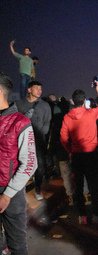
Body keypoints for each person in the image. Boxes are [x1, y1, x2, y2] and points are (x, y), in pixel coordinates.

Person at [60, 81, 98, 224]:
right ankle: (97, 214)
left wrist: (70, 150)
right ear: (84, 100)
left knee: (79, 187)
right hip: (91, 154)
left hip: (77, 155)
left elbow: (63, 138)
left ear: (73, 101)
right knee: (94, 186)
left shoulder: (67, 117)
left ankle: (82, 216)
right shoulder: (91, 113)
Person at [0, 72, 37, 255]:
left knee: (17, 246)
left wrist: (7, 195)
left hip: (11, 194)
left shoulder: (20, 122)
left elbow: (30, 163)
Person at [16, 81, 52, 201]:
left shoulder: (45, 105)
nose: (40, 91)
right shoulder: (19, 104)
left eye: (41, 89)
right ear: (29, 90)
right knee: (20, 165)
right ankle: (18, 191)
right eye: (36, 88)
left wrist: (42, 133)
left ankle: (37, 188)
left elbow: (47, 122)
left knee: (40, 166)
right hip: (22, 140)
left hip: (38, 140)